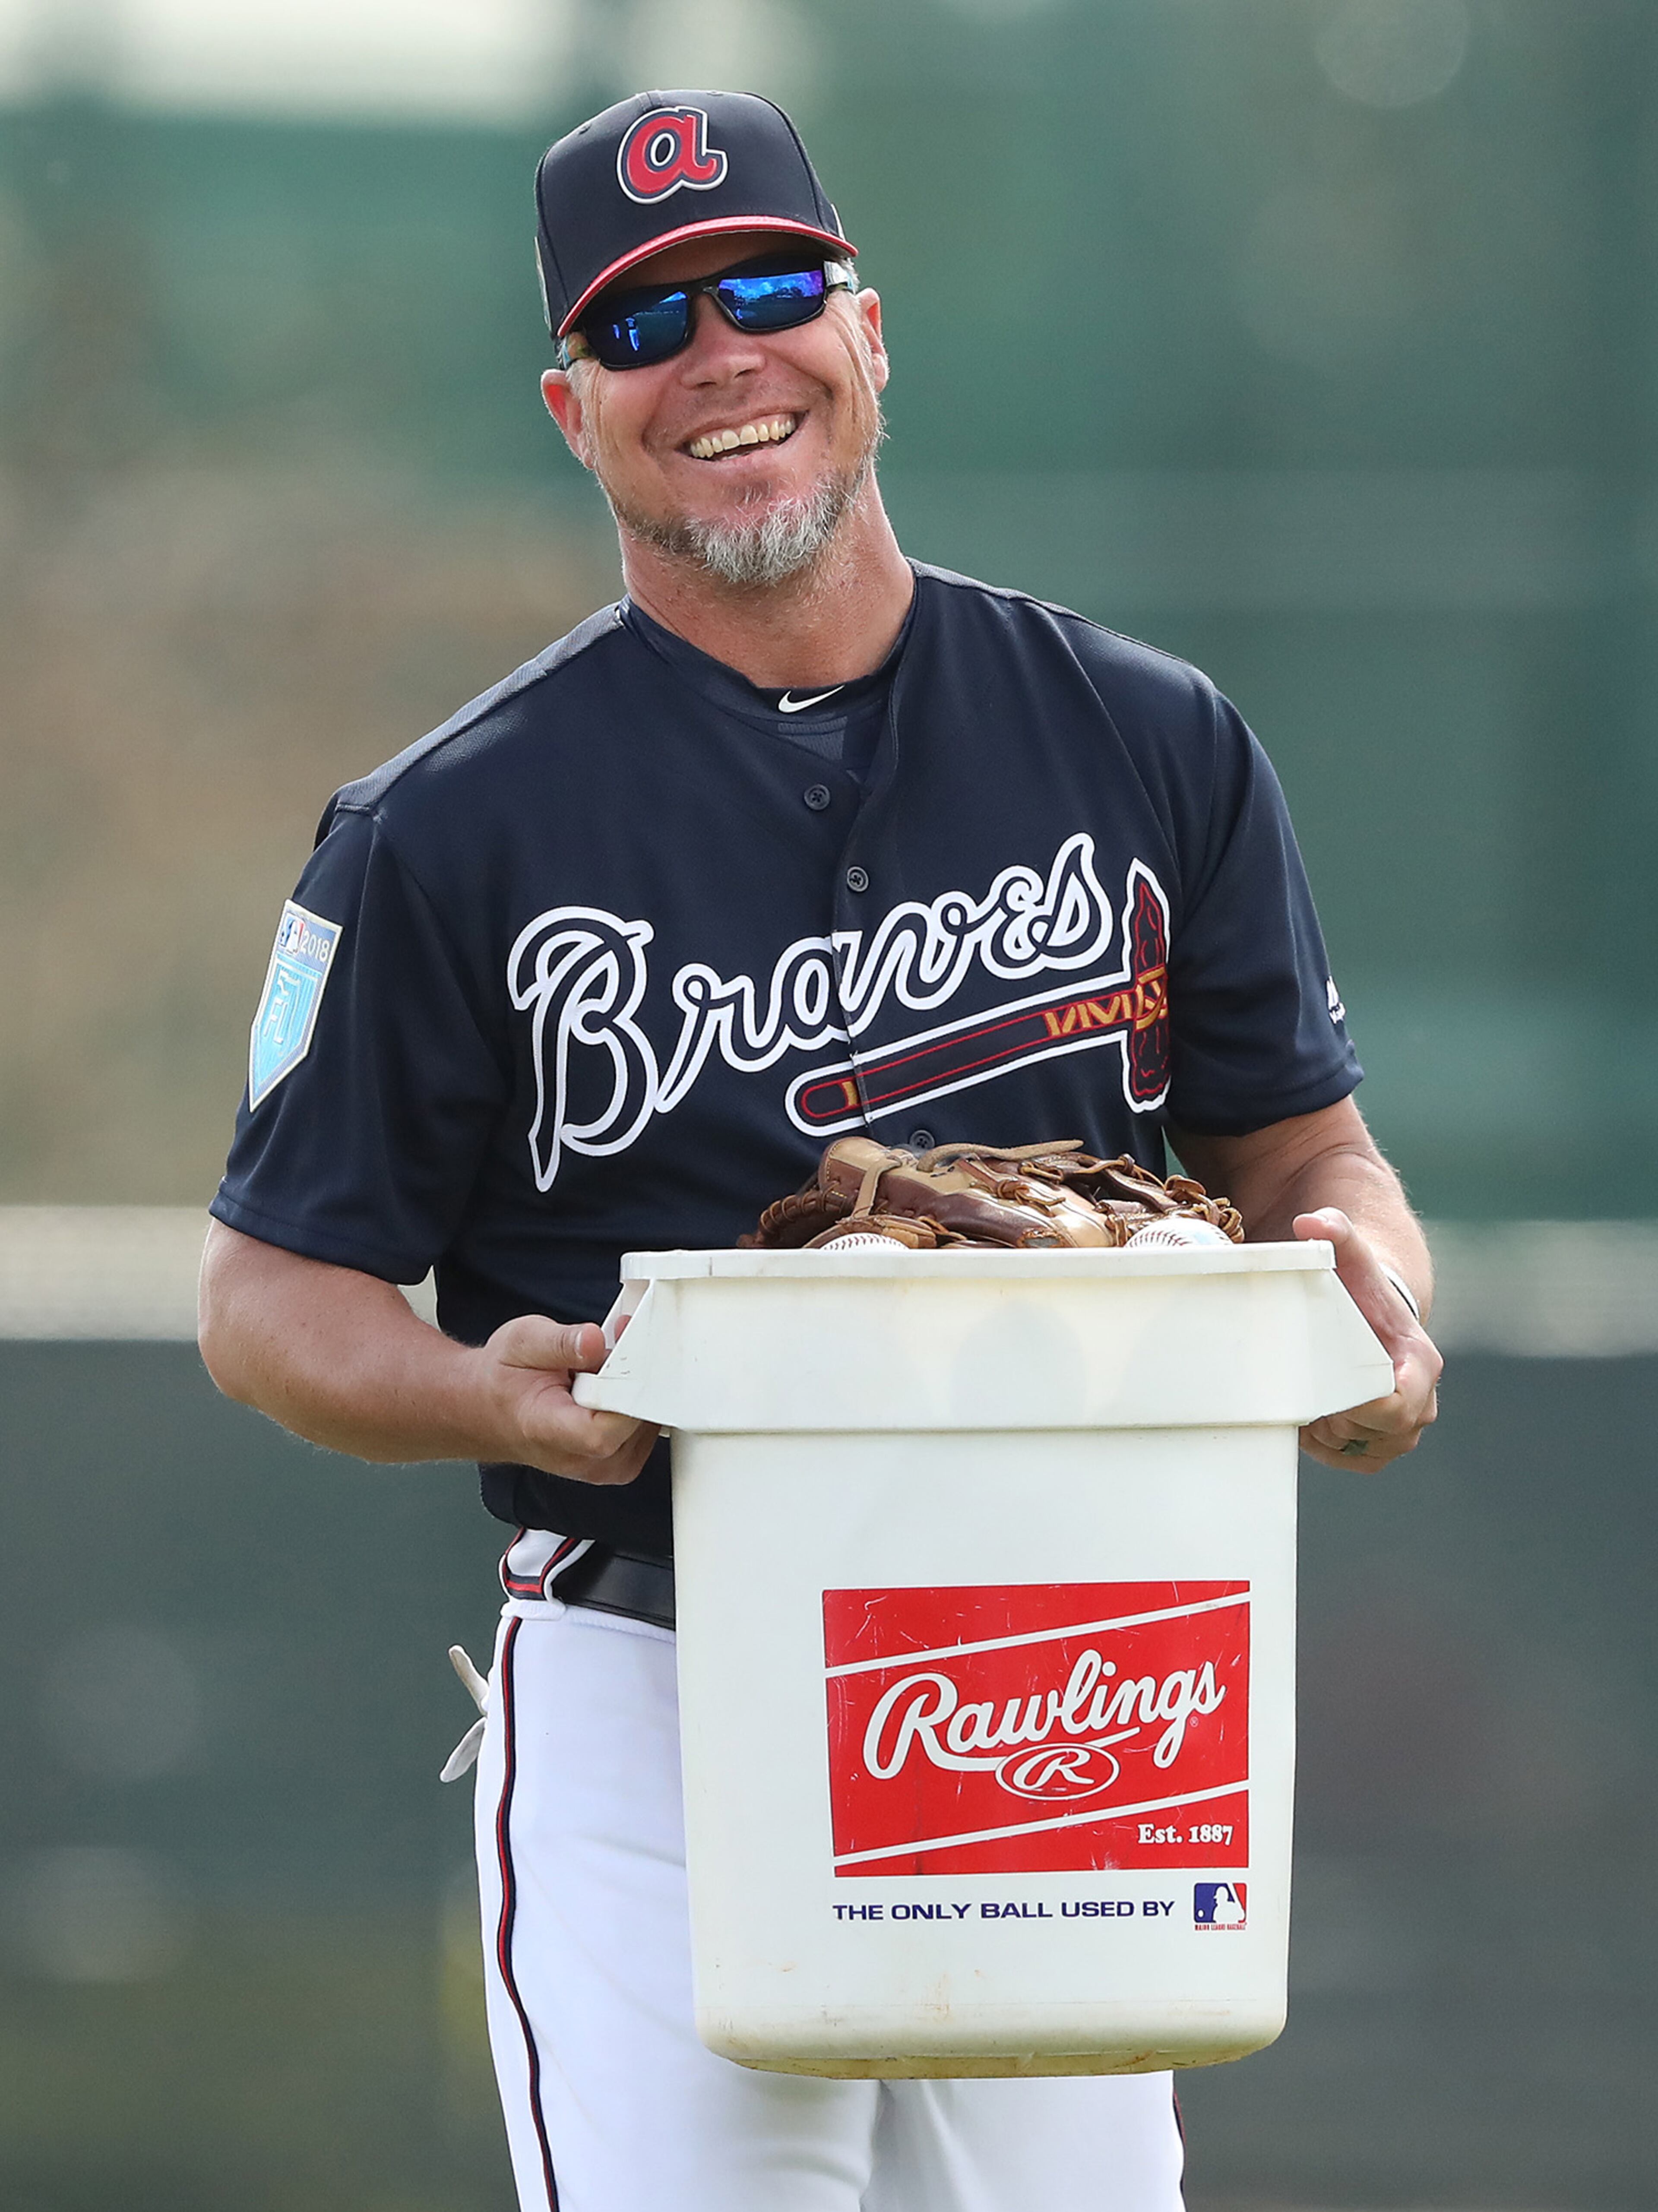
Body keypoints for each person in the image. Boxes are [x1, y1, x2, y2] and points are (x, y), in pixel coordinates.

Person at [198, 87, 1441, 2212]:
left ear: (869, 332)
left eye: (767, 289)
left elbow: (1314, 1155)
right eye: (647, 323)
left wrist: (1378, 1307)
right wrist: (475, 1390)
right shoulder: (444, 828)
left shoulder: (1147, 735)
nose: (720, 357)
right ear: (573, 410)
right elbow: (268, 1298)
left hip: (1076, 1661)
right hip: (664, 1665)